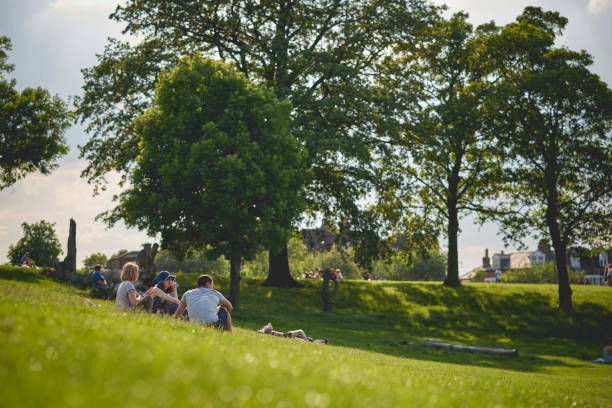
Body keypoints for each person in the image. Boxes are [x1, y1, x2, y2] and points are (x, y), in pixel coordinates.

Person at [257, 323, 328, 344]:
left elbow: (259, 331)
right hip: (288, 336)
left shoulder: (271, 332)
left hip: (288, 336)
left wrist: (265, 330)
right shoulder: (272, 332)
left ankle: (322, 342)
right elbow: (259, 331)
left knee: (311, 342)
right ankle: (322, 342)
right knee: (300, 331)